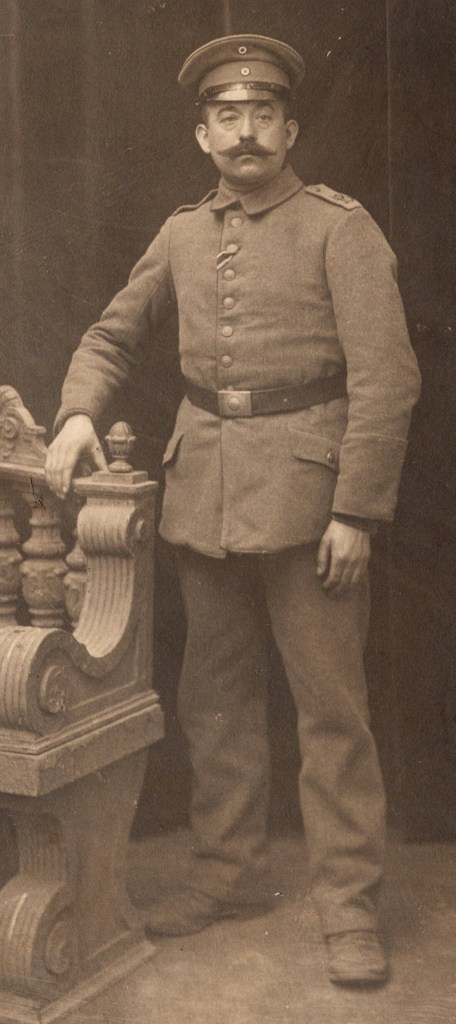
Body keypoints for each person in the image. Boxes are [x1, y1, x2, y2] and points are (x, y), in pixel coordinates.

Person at [45, 34, 421, 986]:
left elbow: (387, 380)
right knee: (214, 704)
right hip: (203, 495)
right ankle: (230, 874)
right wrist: (79, 412)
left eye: (263, 115)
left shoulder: (340, 228)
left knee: (332, 713)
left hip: (311, 503)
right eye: (227, 116)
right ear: (202, 134)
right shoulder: (181, 233)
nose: (245, 132)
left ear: (289, 130)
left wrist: (356, 511)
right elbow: (112, 334)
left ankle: (348, 904)